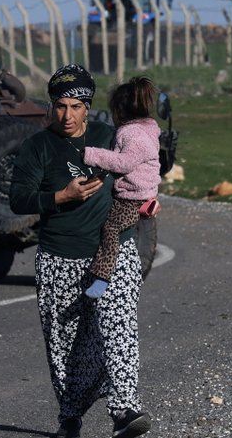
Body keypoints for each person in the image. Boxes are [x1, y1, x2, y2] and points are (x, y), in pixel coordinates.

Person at [9, 64, 152, 438]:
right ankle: (70, 416)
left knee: (118, 326)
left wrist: (151, 200)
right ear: (50, 107)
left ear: (88, 107)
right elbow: (18, 199)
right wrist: (61, 196)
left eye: (75, 106)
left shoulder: (111, 136)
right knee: (66, 343)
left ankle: (125, 410)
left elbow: (140, 172)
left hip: (114, 252)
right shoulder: (37, 147)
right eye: (60, 106)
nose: (67, 115)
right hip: (59, 257)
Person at [82, 76, 161, 299]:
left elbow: (123, 162)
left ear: (119, 110)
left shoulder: (132, 134)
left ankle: (102, 277)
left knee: (110, 229)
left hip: (134, 197)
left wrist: (91, 154)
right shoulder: (148, 128)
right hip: (142, 192)